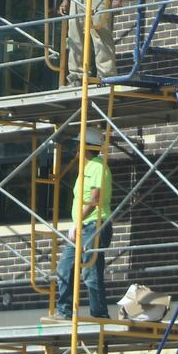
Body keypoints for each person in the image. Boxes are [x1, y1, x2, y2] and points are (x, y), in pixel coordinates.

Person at [54, 124, 114, 320]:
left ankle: (99, 314)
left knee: (90, 271)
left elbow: (95, 200)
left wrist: (77, 222)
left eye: (80, 145)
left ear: (88, 146)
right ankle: (64, 311)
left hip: (94, 225)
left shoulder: (97, 166)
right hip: (82, 226)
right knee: (65, 267)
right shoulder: (86, 168)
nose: (77, 150)